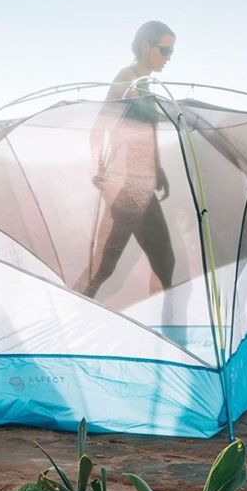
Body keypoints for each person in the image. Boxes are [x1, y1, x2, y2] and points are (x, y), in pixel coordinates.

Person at [76, 21, 177, 301]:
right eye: (164, 50)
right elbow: (101, 126)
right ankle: (71, 310)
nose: (168, 58)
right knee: (115, 266)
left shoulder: (145, 84)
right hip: (129, 187)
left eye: (171, 52)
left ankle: (74, 306)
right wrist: (99, 167)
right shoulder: (126, 79)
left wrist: (158, 169)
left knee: (111, 267)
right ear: (145, 46)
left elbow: (144, 134)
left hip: (142, 185)